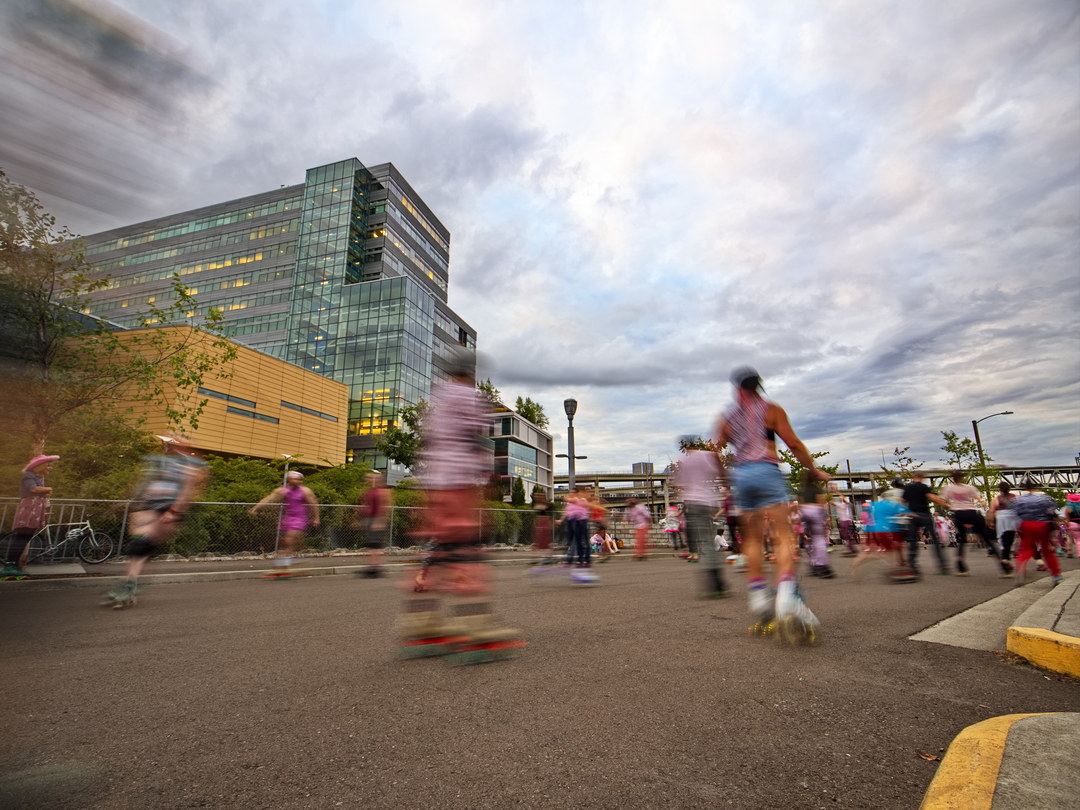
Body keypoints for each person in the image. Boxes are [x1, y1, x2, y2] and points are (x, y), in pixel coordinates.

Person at [396, 354, 524, 662]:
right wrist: (489, 478)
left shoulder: (436, 402)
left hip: (435, 484)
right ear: (470, 373)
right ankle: (477, 629)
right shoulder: (468, 396)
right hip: (458, 484)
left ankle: (421, 625)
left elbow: (428, 444)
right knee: (467, 553)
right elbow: (476, 440)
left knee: (438, 553)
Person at [715, 366, 830, 643]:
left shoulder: (726, 417)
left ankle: (758, 597)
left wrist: (725, 478)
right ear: (758, 386)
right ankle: (787, 596)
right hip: (766, 470)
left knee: (752, 539)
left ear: (736, 388)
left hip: (742, 475)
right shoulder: (771, 410)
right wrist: (812, 468)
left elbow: (714, 450)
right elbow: (793, 443)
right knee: (782, 536)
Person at [103, 437, 208, 607]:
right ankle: (129, 585)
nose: (173, 446)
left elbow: (188, 491)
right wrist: (133, 503)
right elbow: (145, 483)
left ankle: (130, 585)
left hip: (169, 507)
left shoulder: (190, 465)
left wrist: (174, 511)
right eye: (171, 443)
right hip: (149, 505)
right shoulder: (159, 462)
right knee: (139, 545)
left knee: (145, 545)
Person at [675, 441, 727, 596]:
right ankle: (717, 581)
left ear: (686, 448)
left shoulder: (684, 461)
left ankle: (715, 581)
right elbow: (719, 468)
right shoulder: (706, 456)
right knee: (707, 540)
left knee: (701, 541)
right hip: (706, 502)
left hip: (692, 503)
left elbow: (683, 485)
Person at [941, 471, 1011, 577]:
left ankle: (961, 567)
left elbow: (942, 500)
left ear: (952, 479)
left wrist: (950, 507)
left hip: (959, 514)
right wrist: (982, 503)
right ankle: (1004, 568)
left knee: (962, 539)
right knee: (986, 538)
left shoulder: (949, 488)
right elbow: (979, 499)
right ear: (962, 478)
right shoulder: (969, 487)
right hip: (971, 512)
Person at [250, 470, 320, 576]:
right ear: (289, 480)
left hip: (299, 519)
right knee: (285, 543)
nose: (297, 481)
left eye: (299, 479)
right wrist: (255, 508)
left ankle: (283, 567)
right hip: (287, 519)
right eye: (294, 479)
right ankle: (288, 567)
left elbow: (313, 504)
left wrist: (316, 518)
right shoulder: (283, 491)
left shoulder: (305, 491)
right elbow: (269, 499)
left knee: (288, 541)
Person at [2, 454, 59, 578]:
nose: (50, 468)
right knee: (22, 537)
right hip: (29, 508)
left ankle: (14, 565)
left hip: (35, 509)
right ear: (41, 466)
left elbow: (41, 493)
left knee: (25, 537)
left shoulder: (39, 477)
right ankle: (9, 565)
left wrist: (46, 493)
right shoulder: (29, 476)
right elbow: (32, 489)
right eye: (48, 465)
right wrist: (48, 489)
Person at [1013, 479, 1063, 586]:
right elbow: (1051, 512)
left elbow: (1016, 514)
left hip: (1026, 524)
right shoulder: (1044, 498)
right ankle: (1056, 576)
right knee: (1047, 550)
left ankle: (1020, 571)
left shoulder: (1019, 500)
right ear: (1036, 487)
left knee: (1026, 549)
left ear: (1025, 488)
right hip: (1042, 524)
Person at [901, 472, 952, 576]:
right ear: (921, 478)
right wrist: (946, 505)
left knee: (912, 541)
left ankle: (912, 566)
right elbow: (933, 498)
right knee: (935, 540)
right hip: (924, 514)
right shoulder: (923, 487)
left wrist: (903, 512)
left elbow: (901, 501)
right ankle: (943, 566)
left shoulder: (908, 488)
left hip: (912, 516)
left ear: (913, 477)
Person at [355, 471, 389, 578]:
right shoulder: (370, 490)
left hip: (375, 519)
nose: (370, 480)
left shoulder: (381, 491)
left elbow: (382, 506)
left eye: (372, 478)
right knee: (371, 544)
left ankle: (375, 568)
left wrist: (378, 521)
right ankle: (372, 567)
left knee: (375, 545)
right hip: (369, 519)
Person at [987, 482, 1020, 569]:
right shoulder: (1016, 497)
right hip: (1012, 518)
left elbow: (991, 511)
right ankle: (1007, 558)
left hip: (1001, 518)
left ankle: (1005, 557)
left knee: (1002, 538)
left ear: (1000, 489)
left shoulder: (996, 499)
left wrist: (991, 522)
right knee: (1010, 538)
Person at [1062, 493, 1080, 559]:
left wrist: (1067, 525)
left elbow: (1067, 518)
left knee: (1070, 538)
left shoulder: (1068, 509)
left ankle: (1069, 551)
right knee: (1079, 539)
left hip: (1072, 524)